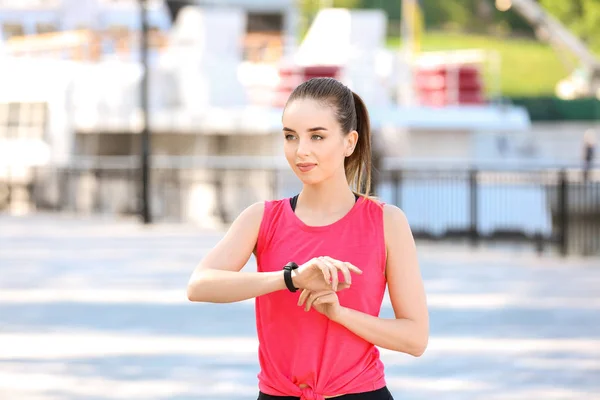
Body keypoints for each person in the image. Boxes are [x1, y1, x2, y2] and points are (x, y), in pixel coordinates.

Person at [187, 77, 429, 400]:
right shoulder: (262, 218)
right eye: (290, 136)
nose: (301, 151)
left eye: (317, 136)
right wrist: (291, 278)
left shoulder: (387, 223)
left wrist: (340, 314)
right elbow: (199, 284)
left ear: (349, 142)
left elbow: (415, 338)